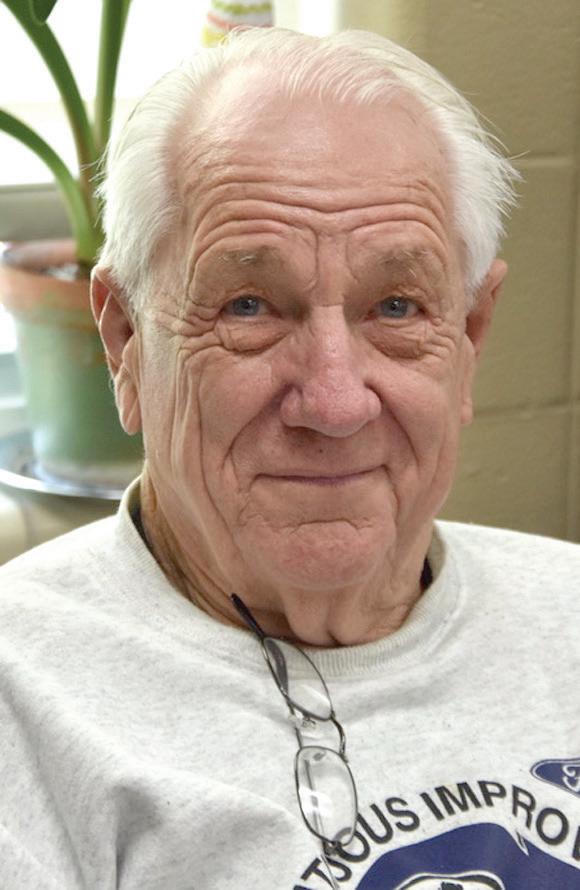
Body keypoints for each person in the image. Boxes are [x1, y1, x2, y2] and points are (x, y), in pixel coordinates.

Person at [1, 26, 579, 890]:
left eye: (396, 306)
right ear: (124, 339)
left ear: (469, 334)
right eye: (249, 306)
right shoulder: (25, 697)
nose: (336, 403)